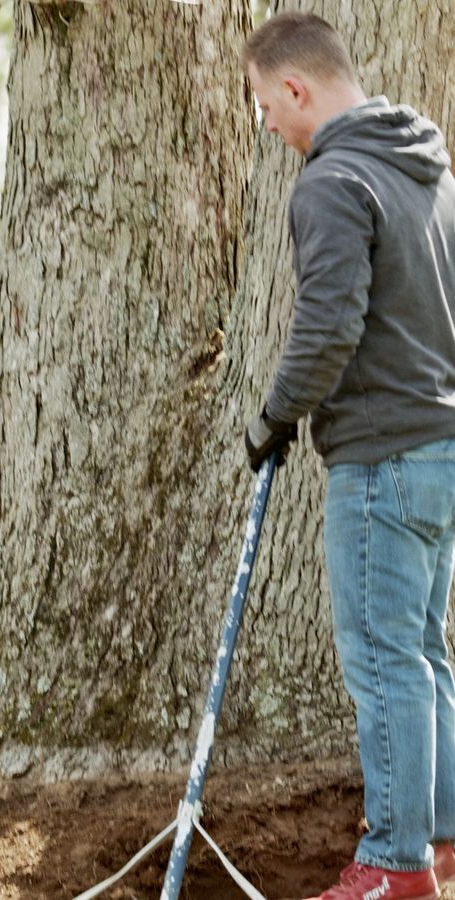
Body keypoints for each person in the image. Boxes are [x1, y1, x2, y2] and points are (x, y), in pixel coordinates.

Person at [242, 13, 455, 900]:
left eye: (263, 104)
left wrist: (275, 417)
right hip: (440, 448)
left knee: (382, 660)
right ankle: (440, 841)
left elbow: (328, 325)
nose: (267, 124)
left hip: (384, 459)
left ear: (296, 88)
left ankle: (396, 865)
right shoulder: (428, 176)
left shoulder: (333, 181)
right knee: (425, 656)